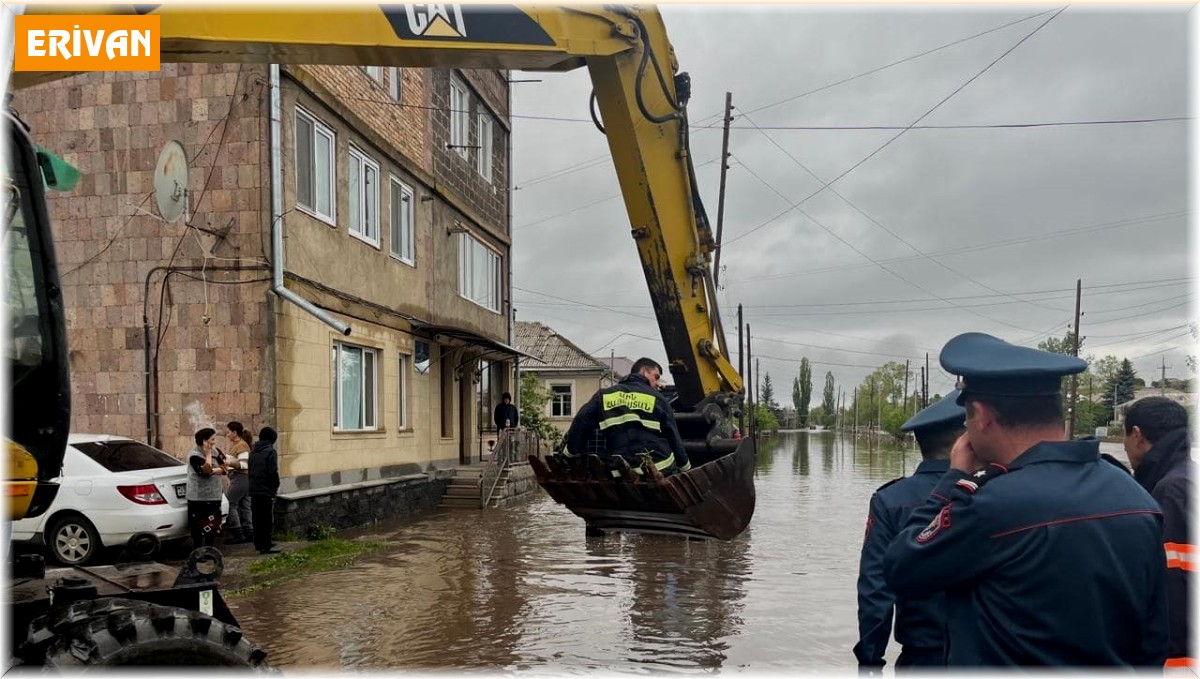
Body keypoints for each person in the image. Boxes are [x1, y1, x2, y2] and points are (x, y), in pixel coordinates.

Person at [884, 332, 1169, 667]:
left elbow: (902, 567)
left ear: (983, 416)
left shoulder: (990, 506)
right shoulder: (1136, 496)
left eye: (967, 419)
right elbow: (1153, 641)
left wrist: (951, 481)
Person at [854, 390, 964, 672]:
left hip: (922, 659)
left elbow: (876, 592)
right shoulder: (996, 491)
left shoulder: (890, 501)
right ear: (964, 441)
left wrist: (870, 662)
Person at [1123, 396, 1194, 669]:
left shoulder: (1172, 490)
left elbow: (1173, 582)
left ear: (1138, 435)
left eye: (1125, 437)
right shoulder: (1186, 477)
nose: (1126, 447)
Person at [560, 357, 690, 476]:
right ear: (644, 371)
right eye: (656, 377)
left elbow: (582, 420)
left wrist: (569, 453)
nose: (658, 383)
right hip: (658, 466)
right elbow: (673, 436)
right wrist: (686, 468)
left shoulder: (604, 395)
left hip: (618, 469)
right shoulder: (658, 399)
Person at [186, 427, 227, 548]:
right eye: (212, 439)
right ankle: (198, 551)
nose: (214, 442)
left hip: (214, 495)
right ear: (204, 441)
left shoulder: (216, 451)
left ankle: (209, 549)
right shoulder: (194, 455)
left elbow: (225, 467)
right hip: (199, 498)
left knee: (213, 525)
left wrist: (214, 470)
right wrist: (208, 454)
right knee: (198, 527)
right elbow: (205, 471)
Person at [249, 426, 281, 555]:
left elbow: (250, 470)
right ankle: (266, 545)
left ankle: (258, 543)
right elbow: (272, 472)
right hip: (266, 489)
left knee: (257, 518)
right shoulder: (270, 452)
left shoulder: (253, 451)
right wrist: (275, 486)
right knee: (266, 519)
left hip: (254, 488)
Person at [222, 421, 254, 545]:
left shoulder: (241, 445)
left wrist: (227, 462)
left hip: (240, 478)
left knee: (230, 504)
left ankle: (238, 533)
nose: (227, 434)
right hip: (243, 478)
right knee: (245, 505)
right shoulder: (238, 445)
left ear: (235, 433)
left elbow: (243, 464)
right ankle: (249, 532)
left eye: (229, 432)